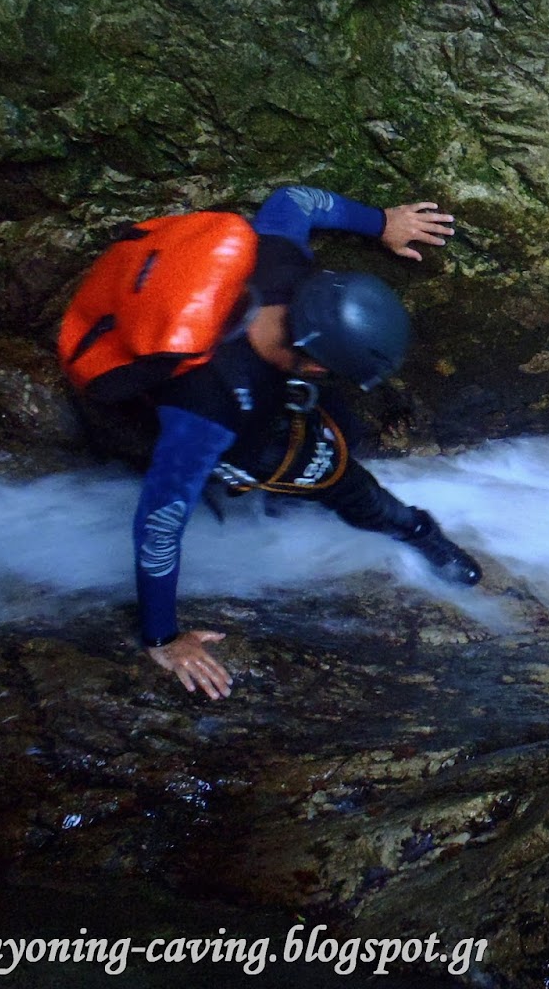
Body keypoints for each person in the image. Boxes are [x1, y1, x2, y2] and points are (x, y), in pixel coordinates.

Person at [126, 185, 481, 700]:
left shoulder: (275, 262)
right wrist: (162, 638)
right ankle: (413, 530)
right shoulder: (209, 410)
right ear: (316, 364)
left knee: (340, 431)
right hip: (223, 426)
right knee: (326, 469)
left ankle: (331, 511)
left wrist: (380, 221)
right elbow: (159, 522)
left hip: (207, 352)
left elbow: (294, 201)